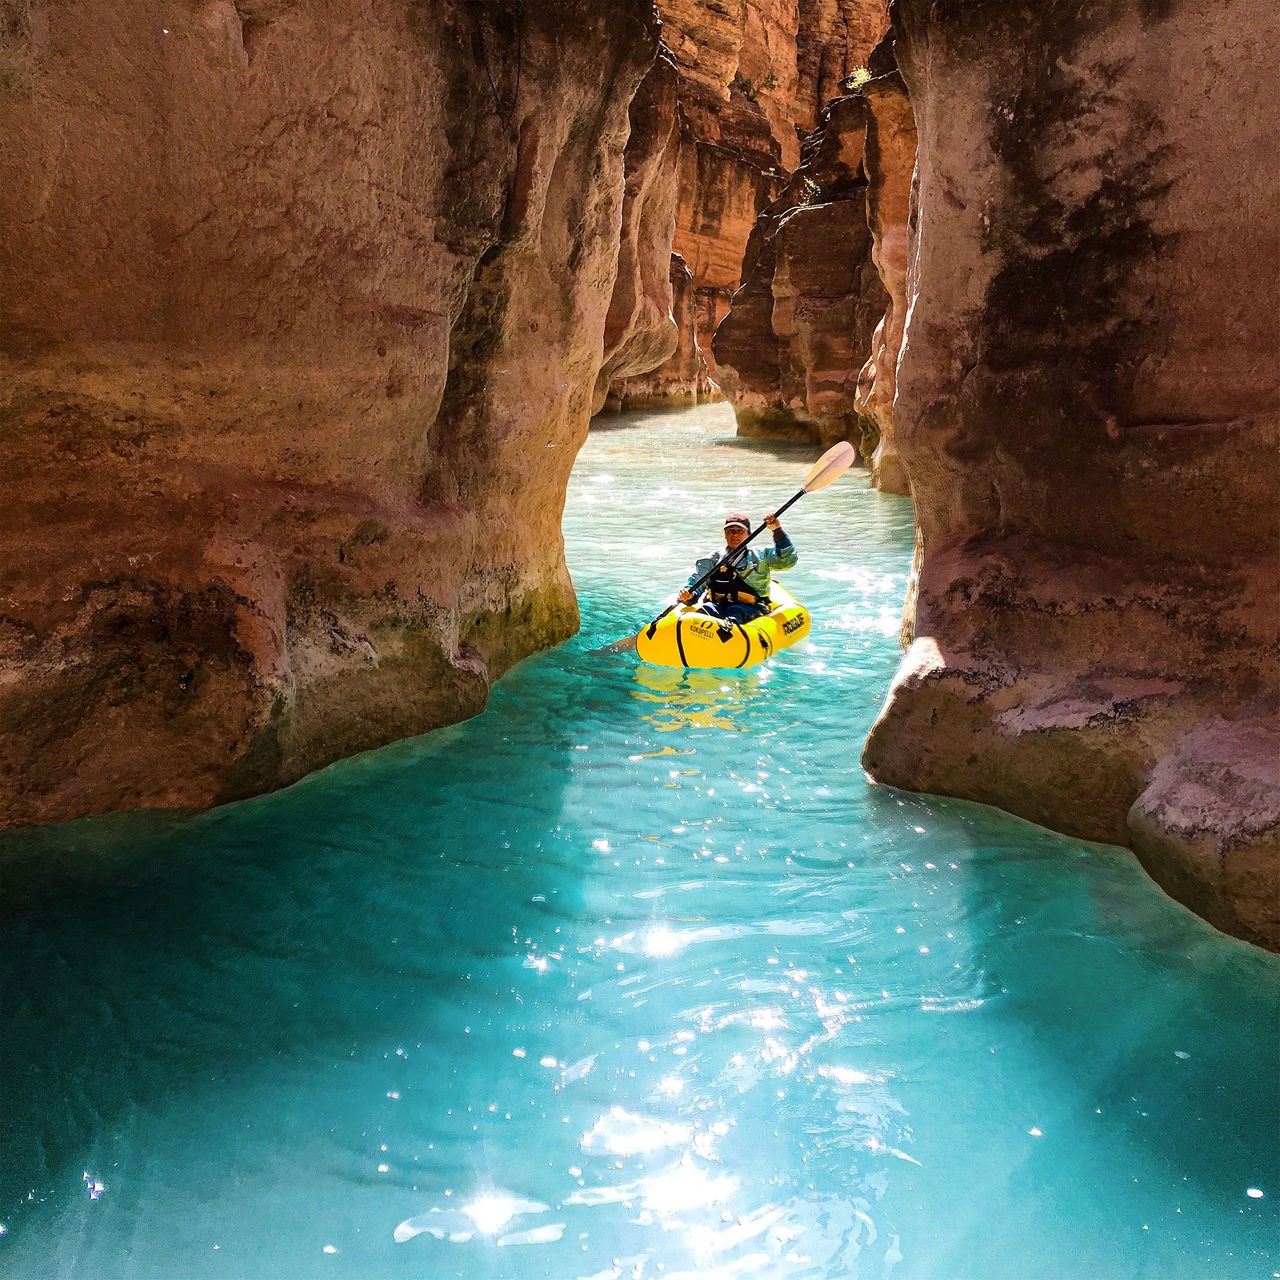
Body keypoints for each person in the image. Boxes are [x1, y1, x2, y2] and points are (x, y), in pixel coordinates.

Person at [678, 511, 798, 626]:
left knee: (735, 611)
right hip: (717, 606)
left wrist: (777, 531)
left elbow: (787, 561)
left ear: (748, 534)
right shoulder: (711, 560)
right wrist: (689, 594)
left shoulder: (760, 556)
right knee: (707, 609)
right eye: (731, 531)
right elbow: (697, 584)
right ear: (725, 533)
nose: (735, 535)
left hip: (751, 608)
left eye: (740, 531)